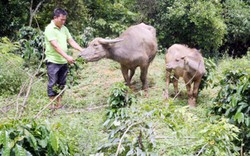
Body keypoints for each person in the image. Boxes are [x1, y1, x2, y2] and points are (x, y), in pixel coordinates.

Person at [44, 8, 84, 109]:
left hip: (63, 62)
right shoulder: (49, 29)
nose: (63, 22)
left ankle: (59, 105)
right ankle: (52, 106)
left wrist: (81, 50)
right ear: (55, 18)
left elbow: (71, 41)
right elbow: (55, 46)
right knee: (53, 83)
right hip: (53, 61)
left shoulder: (64, 28)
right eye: (61, 19)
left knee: (62, 83)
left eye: (64, 20)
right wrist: (67, 57)